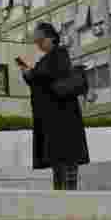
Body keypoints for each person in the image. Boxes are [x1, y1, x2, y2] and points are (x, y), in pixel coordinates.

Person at [15, 22, 89, 190]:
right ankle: (60, 192)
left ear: (51, 38)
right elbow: (41, 81)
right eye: (36, 41)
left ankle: (68, 194)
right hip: (53, 116)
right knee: (57, 159)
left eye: (40, 40)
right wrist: (28, 74)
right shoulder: (46, 59)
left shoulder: (60, 54)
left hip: (64, 116)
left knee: (67, 158)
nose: (38, 44)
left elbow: (50, 75)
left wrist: (31, 73)